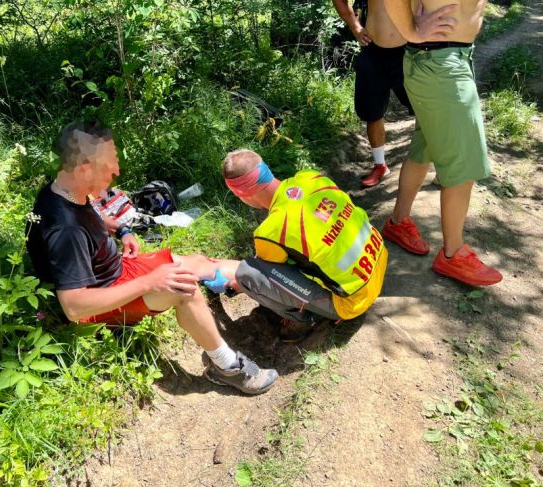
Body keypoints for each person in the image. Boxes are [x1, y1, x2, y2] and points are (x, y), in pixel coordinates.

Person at [25, 122, 277, 395]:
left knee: (197, 262)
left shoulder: (66, 188)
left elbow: (92, 219)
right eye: (110, 165)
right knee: (183, 287)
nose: (117, 171)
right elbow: (74, 307)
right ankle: (228, 367)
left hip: (117, 270)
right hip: (100, 300)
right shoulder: (65, 229)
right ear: (84, 169)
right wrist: (149, 283)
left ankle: (272, 280)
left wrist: (121, 230)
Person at [380, 0, 503, 286]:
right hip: (439, 63)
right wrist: (412, 32)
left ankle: (398, 223)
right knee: (463, 163)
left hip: (448, 58)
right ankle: (453, 255)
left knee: (425, 148)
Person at [209, 149, 388, 339]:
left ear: (242, 195)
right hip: (377, 265)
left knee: (247, 272)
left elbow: (268, 275)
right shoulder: (311, 178)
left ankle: (301, 319)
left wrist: (237, 284)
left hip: (352, 302)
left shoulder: (271, 230)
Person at [332, 0, 415, 187]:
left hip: (409, 53)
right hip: (373, 52)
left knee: (425, 112)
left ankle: (440, 164)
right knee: (372, 113)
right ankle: (380, 165)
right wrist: (355, 27)